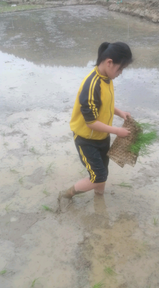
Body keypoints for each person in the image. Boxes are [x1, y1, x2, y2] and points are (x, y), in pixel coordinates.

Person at [57, 42, 133, 213]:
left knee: (102, 172)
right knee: (98, 176)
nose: (120, 73)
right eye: (120, 69)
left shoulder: (107, 79)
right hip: (86, 140)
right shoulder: (91, 85)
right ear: (109, 62)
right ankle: (66, 194)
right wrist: (117, 131)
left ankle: (99, 202)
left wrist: (120, 112)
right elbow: (91, 122)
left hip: (101, 137)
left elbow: (104, 105)